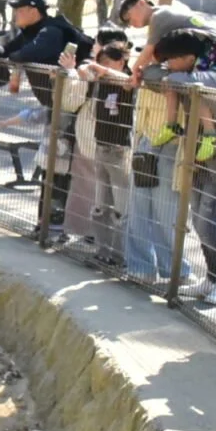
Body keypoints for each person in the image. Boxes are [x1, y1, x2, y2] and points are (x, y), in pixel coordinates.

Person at [0, 0, 94, 232]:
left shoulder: (50, 31)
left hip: (71, 109)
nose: (15, 15)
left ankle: (55, 225)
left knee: (60, 166)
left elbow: (28, 53)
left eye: (19, 10)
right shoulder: (31, 32)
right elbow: (9, 48)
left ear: (33, 11)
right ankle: (47, 223)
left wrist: (13, 59)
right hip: (55, 107)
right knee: (52, 164)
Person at [147, 28, 216, 305]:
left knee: (208, 224)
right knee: (201, 224)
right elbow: (153, 76)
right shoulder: (187, 75)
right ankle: (213, 279)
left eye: (171, 59)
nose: (167, 66)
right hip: (200, 160)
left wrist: (171, 77)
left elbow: (185, 81)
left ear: (189, 57)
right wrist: (167, 73)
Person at [72, 36, 134, 265]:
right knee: (101, 205)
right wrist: (85, 67)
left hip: (119, 150)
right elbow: (81, 71)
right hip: (101, 147)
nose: (105, 68)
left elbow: (129, 81)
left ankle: (119, 256)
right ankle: (102, 250)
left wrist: (100, 69)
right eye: (102, 63)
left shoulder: (126, 83)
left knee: (121, 207)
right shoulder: (101, 82)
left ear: (120, 62)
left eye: (109, 63)